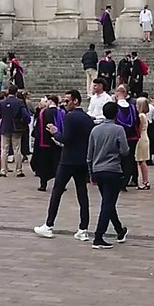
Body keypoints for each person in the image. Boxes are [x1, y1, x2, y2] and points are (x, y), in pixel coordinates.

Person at [34, 90, 93, 241]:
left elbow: (65, 139)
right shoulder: (87, 118)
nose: (65, 104)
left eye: (68, 101)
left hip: (68, 160)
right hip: (82, 160)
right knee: (82, 194)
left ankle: (49, 225)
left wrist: (55, 132)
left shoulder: (70, 117)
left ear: (76, 101)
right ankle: (83, 228)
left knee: (57, 191)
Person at [86, 101, 129, 250]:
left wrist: (91, 173)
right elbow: (124, 151)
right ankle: (98, 236)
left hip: (98, 169)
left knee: (107, 201)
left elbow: (89, 155)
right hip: (113, 169)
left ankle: (119, 230)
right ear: (116, 114)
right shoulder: (118, 129)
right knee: (108, 203)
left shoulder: (95, 130)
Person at [31, 96, 62, 191]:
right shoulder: (61, 111)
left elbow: (39, 128)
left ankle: (43, 184)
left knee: (44, 164)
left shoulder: (44, 112)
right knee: (57, 163)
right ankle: (60, 184)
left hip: (44, 142)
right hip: (57, 141)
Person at [0, 86, 27, 178]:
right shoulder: (19, 102)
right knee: (17, 149)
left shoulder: (2, 103)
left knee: (4, 149)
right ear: (16, 92)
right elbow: (24, 115)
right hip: (16, 127)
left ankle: (3, 170)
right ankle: (18, 170)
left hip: (5, 127)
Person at [133, 97, 151, 190]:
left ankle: (145, 181)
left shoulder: (141, 116)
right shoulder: (144, 115)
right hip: (145, 137)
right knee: (142, 161)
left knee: (142, 161)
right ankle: (145, 181)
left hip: (141, 138)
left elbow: (139, 129)